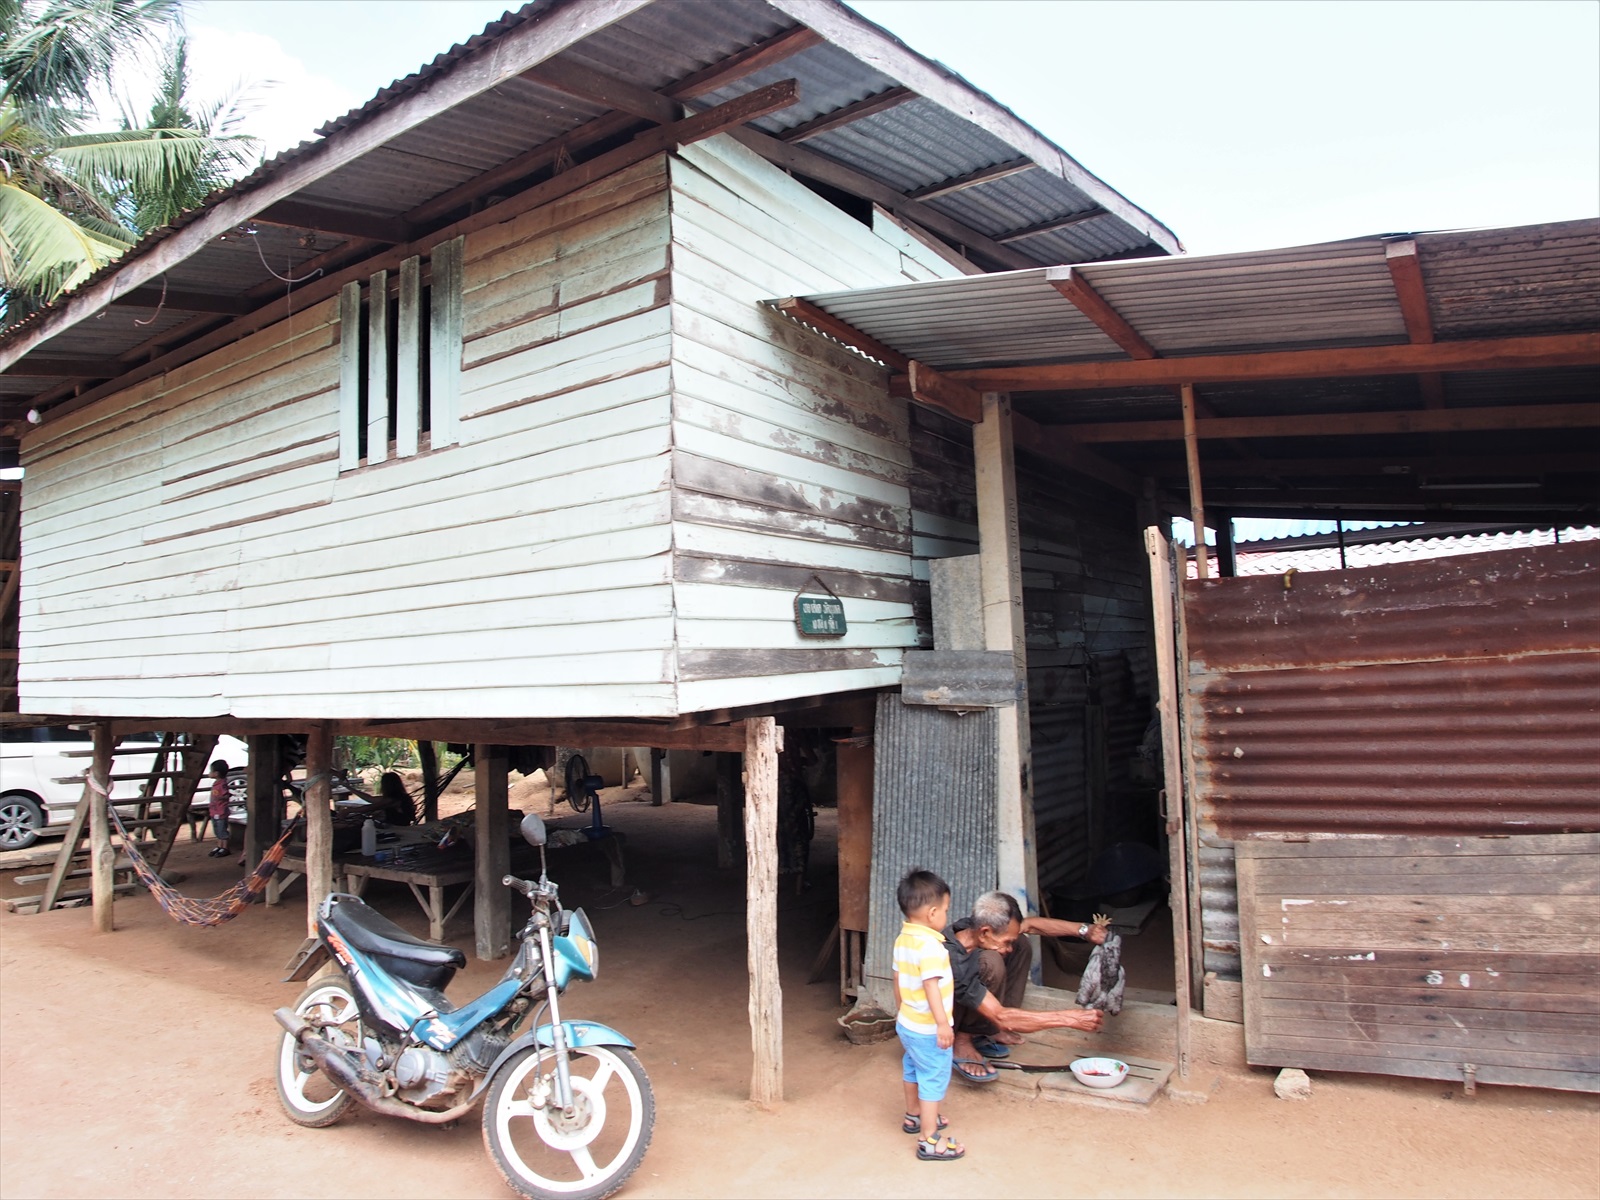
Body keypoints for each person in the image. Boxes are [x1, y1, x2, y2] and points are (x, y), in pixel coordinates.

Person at [945, 890, 1107, 1083]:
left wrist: (1085, 930)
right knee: (992, 961)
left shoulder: (975, 927)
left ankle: (987, 1028)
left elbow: (1030, 925)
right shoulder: (952, 960)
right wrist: (1070, 1018)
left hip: (981, 1002)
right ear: (985, 932)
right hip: (940, 1024)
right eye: (1005, 941)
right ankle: (962, 1040)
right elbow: (1000, 1015)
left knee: (1020, 941)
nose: (1009, 948)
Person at [892, 868, 964, 1162]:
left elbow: (896, 978)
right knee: (933, 1077)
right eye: (946, 910)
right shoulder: (931, 946)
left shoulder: (903, 939)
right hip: (927, 1028)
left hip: (907, 1023)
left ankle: (913, 1115)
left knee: (912, 1067)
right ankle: (929, 1139)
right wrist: (943, 1024)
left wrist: (901, 1011)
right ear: (933, 913)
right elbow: (931, 986)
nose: (947, 915)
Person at [205, 759, 231, 858]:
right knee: (217, 830)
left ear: (216, 773)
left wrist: (220, 798)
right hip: (214, 811)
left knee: (222, 830)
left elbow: (226, 795)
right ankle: (219, 846)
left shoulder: (222, 784)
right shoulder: (217, 784)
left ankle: (225, 847)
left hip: (220, 811)